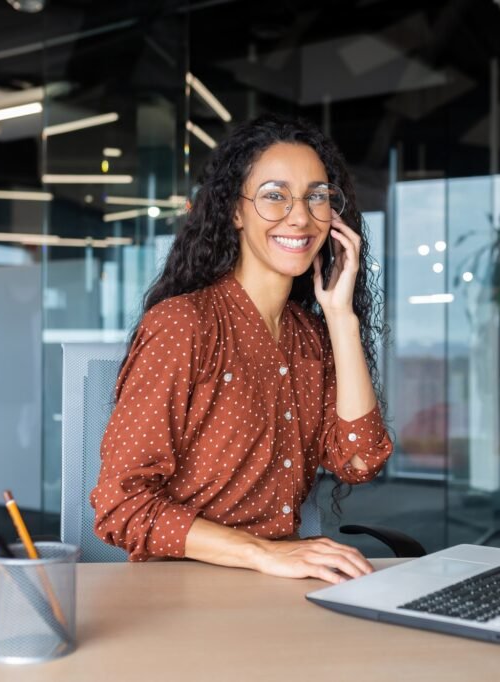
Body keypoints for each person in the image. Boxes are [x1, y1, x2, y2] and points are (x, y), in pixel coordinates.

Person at [90, 114, 393, 584]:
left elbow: (359, 460)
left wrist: (340, 318)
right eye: (275, 195)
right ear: (235, 211)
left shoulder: (310, 334)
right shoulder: (184, 324)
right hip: (183, 592)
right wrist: (264, 554)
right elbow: (121, 506)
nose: (300, 215)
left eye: (317, 196)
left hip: (278, 587)